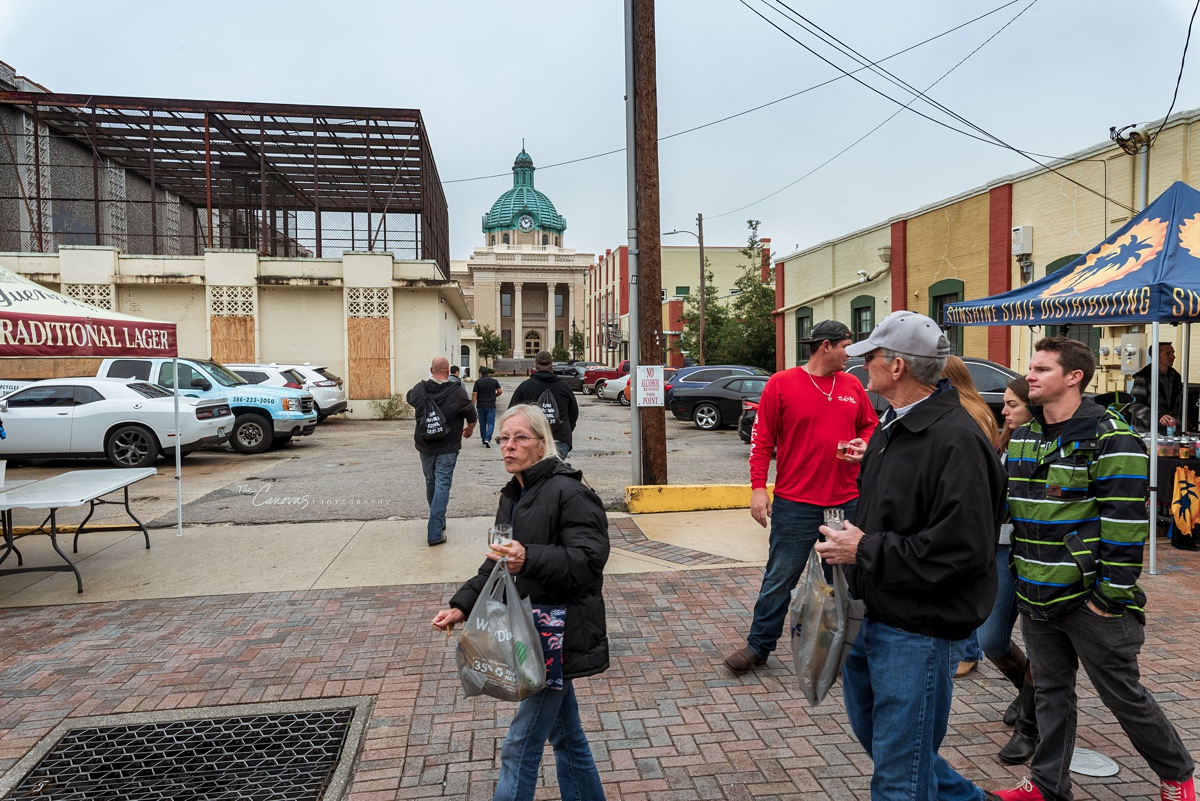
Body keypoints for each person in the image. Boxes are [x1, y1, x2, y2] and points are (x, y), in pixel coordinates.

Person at [990, 337, 1195, 801]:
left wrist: (1107, 599)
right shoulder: (1024, 437)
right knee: (1049, 694)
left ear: (1074, 377)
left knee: (1124, 696)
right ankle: (1046, 785)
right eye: (1031, 368)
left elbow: (1125, 527)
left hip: (1090, 602)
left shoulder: (1111, 437)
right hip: (1036, 593)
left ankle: (1178, 777)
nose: (1029, 377)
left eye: (1041, 369)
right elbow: (1007, 510)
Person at [813, 310, 1006, 801]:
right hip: (873, 615)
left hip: (918, 630)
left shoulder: (956, 440)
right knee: (893, 749)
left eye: (871, 357)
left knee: (899, 776)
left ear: (897, 366)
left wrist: (863, 547)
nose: (862, 367)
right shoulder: (891, 426)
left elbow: (961, 550)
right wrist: (852, 540)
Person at [432, 404, 609, 801]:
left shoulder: (571, 492)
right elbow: (498, 562)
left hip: (555, 637)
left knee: (519, 745)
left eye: (519, 438)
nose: (508, 447)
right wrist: (462, 605)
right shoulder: (516, 493)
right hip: (530, 630)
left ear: (543, 443)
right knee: (568, 737)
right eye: (503, 439)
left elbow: (589, 561)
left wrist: (530, 557)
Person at [724, 319, 877, 675]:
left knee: (846, 582)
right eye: (845, 346)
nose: (849, 353)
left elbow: (869, 424)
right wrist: (758, 489)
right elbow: (761, 441)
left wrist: (864, 442)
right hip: (797, 503)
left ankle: (844, 649)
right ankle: (758, 646)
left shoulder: (852, 384)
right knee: (780, 577)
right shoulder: (782, 384)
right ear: (826, 346)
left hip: (844, 502)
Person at [941, 355, 999, 680]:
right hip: (981, 507)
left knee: (963, 583)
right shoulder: (978, 408)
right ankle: (970, 650)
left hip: (971, 507)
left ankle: (969, 652)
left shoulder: (965, 413)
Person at [406, 356, 476, 547]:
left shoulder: (419, 389)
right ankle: (435, 532)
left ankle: (438, 522)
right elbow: (471, 413)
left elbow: (409, 399)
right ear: (448, 371)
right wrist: (469, 429)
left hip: (425, 445)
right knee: (442, 485)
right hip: (448, 447)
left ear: (431, 370)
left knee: (431, 482)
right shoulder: (457, 392)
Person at [509, 350, 579, 459]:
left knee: (535, 473)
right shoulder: (564, 387)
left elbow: (512, 413)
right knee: (553, 471)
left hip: (532, 440)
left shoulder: (525, 387)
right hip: (559, 440)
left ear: (535, 365)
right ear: (551, 364)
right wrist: (567, 430)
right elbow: (574, 412)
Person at [1129, 342, 1183, 434]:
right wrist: (1158, 416)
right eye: (1168, 354)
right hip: (1148, 433)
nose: (1173, 357)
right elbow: (1133, 405)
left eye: (1173, 353)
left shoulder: (1175, 376)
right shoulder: (1144, 377)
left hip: (1171, 432)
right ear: (1156, 356)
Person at [472, 367, 503, 448]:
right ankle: (487, 438)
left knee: (482, 424)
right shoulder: (494, 381)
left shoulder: (478, 382)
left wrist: (472, 404)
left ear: (480, 373)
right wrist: (495, 395)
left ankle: (483, 439)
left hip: (481, 405)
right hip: (491, 405)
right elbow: (500, 391)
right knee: (491, 423)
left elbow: (475, 394)